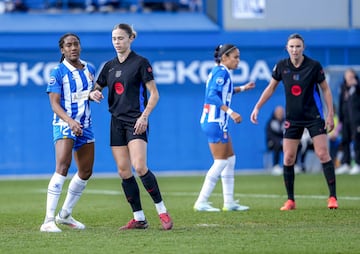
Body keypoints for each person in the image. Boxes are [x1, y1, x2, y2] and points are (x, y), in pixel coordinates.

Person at [89, 23, 173, 230]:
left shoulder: (141, 63)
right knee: (123, 171)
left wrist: (144, 117)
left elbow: (154, 94)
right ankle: (139, 218)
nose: (117, 42)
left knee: (140, 166)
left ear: (131, 38)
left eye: (121, 38)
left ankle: (162, 211)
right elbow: (96, 87)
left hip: (136, 120)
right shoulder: (109, 66)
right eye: (114, 39)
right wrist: (94, 93)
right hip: (116, 122)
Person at [250, 33, 338, 210]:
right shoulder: (282, 66)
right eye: (291, 46)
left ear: (303, 48)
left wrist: (329, 115)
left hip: (313, 117)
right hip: (293, 119)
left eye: (298, 46)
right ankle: (290, 200)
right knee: (289, 157)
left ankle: (332, 197)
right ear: (286, 48)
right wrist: (257, 107)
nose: (295, 49)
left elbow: (326, 91)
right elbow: (270, 88)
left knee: (322, 154)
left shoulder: (314, 66)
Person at [40, 33, 96, 232]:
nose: (73, 48)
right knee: (63, 166)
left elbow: (86, 93)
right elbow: (54, 104)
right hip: (64, 123)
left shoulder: (89, 68)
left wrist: (93, 94)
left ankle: (64, 215)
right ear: (62, 50)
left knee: (86, 171)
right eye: (69, 45)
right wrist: (70, 121)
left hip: (85, 125)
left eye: (76, 44)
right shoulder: (58, 72)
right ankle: (48, 221)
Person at [193, 44, 255, 212]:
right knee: (220, 161)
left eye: (238, 57)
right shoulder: (221, 72)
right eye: (235, 57)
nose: (238, 61)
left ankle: (229, 202)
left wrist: (243, 88)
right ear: (224, 57)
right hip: (215, 121)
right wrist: (231, 112)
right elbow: (211, 95)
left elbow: (225, 93)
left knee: (230, 158)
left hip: (217, 121)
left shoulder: (221, 71)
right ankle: (201, 201)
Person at [336, 68, 360, 175]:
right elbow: (341, 103)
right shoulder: (343, 88)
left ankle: (358, 164)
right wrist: (340, 119)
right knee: (345, 141)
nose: (349, 77)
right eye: (347, 75)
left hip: (356, 120)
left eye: (351, 75)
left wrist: (356, 85)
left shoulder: (357, 87)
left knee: (357, 141)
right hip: (345, 120)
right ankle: (346, 163)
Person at [265, 105, 285, 175]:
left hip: (284, 143)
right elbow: (269, 135)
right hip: (272, 143)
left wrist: (283, 141)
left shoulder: (285, 122)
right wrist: (279, 141)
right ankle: (276, 166)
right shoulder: (271, 122)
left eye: (281, 112)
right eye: (279, 112)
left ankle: (294, 165)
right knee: (277, 145)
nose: (280, 114)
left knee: (294, 145)